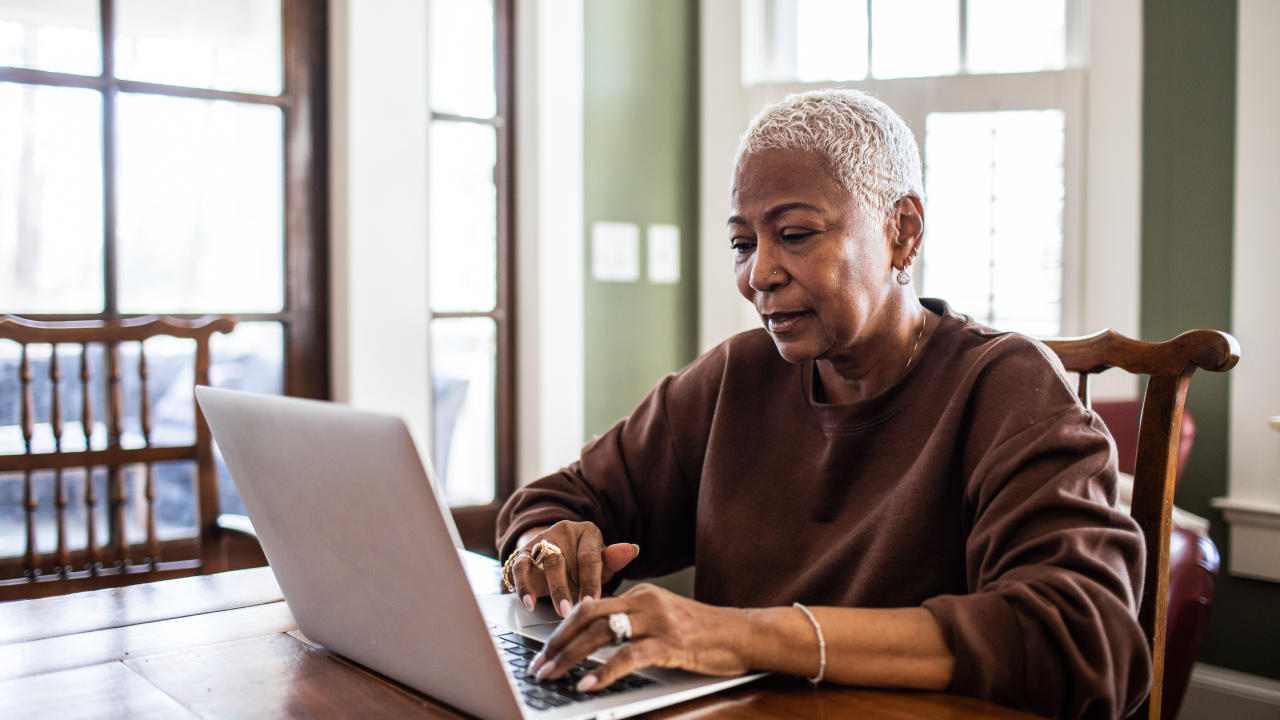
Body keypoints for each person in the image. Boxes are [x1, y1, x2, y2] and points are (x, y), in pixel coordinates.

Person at [495, 89, 1150, 720]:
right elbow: (561, 500)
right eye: (743, 243)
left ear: (903, 232)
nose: (759, 275)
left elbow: (1082, 640)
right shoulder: (736, 377)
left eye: (797, 234)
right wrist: (546, 543)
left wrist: (743, 636)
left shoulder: (1005, 386)